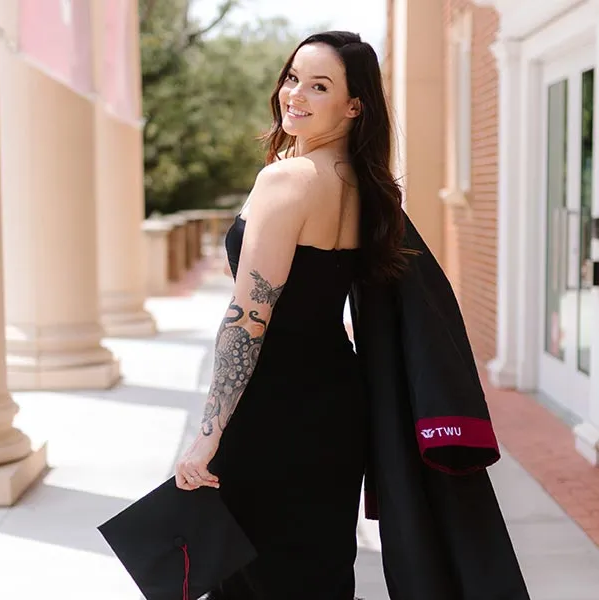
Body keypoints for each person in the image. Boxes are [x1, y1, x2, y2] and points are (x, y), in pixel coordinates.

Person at [173, 30, 405, 599]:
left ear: (355, 105)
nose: (294, 94)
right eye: (292, 77)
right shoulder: (366, 186)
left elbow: (247, 319)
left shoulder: (287, 180)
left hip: (270, 410)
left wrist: (207, 435)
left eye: (318, 85)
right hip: (336, 404)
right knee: (316, 571)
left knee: (250, 576)